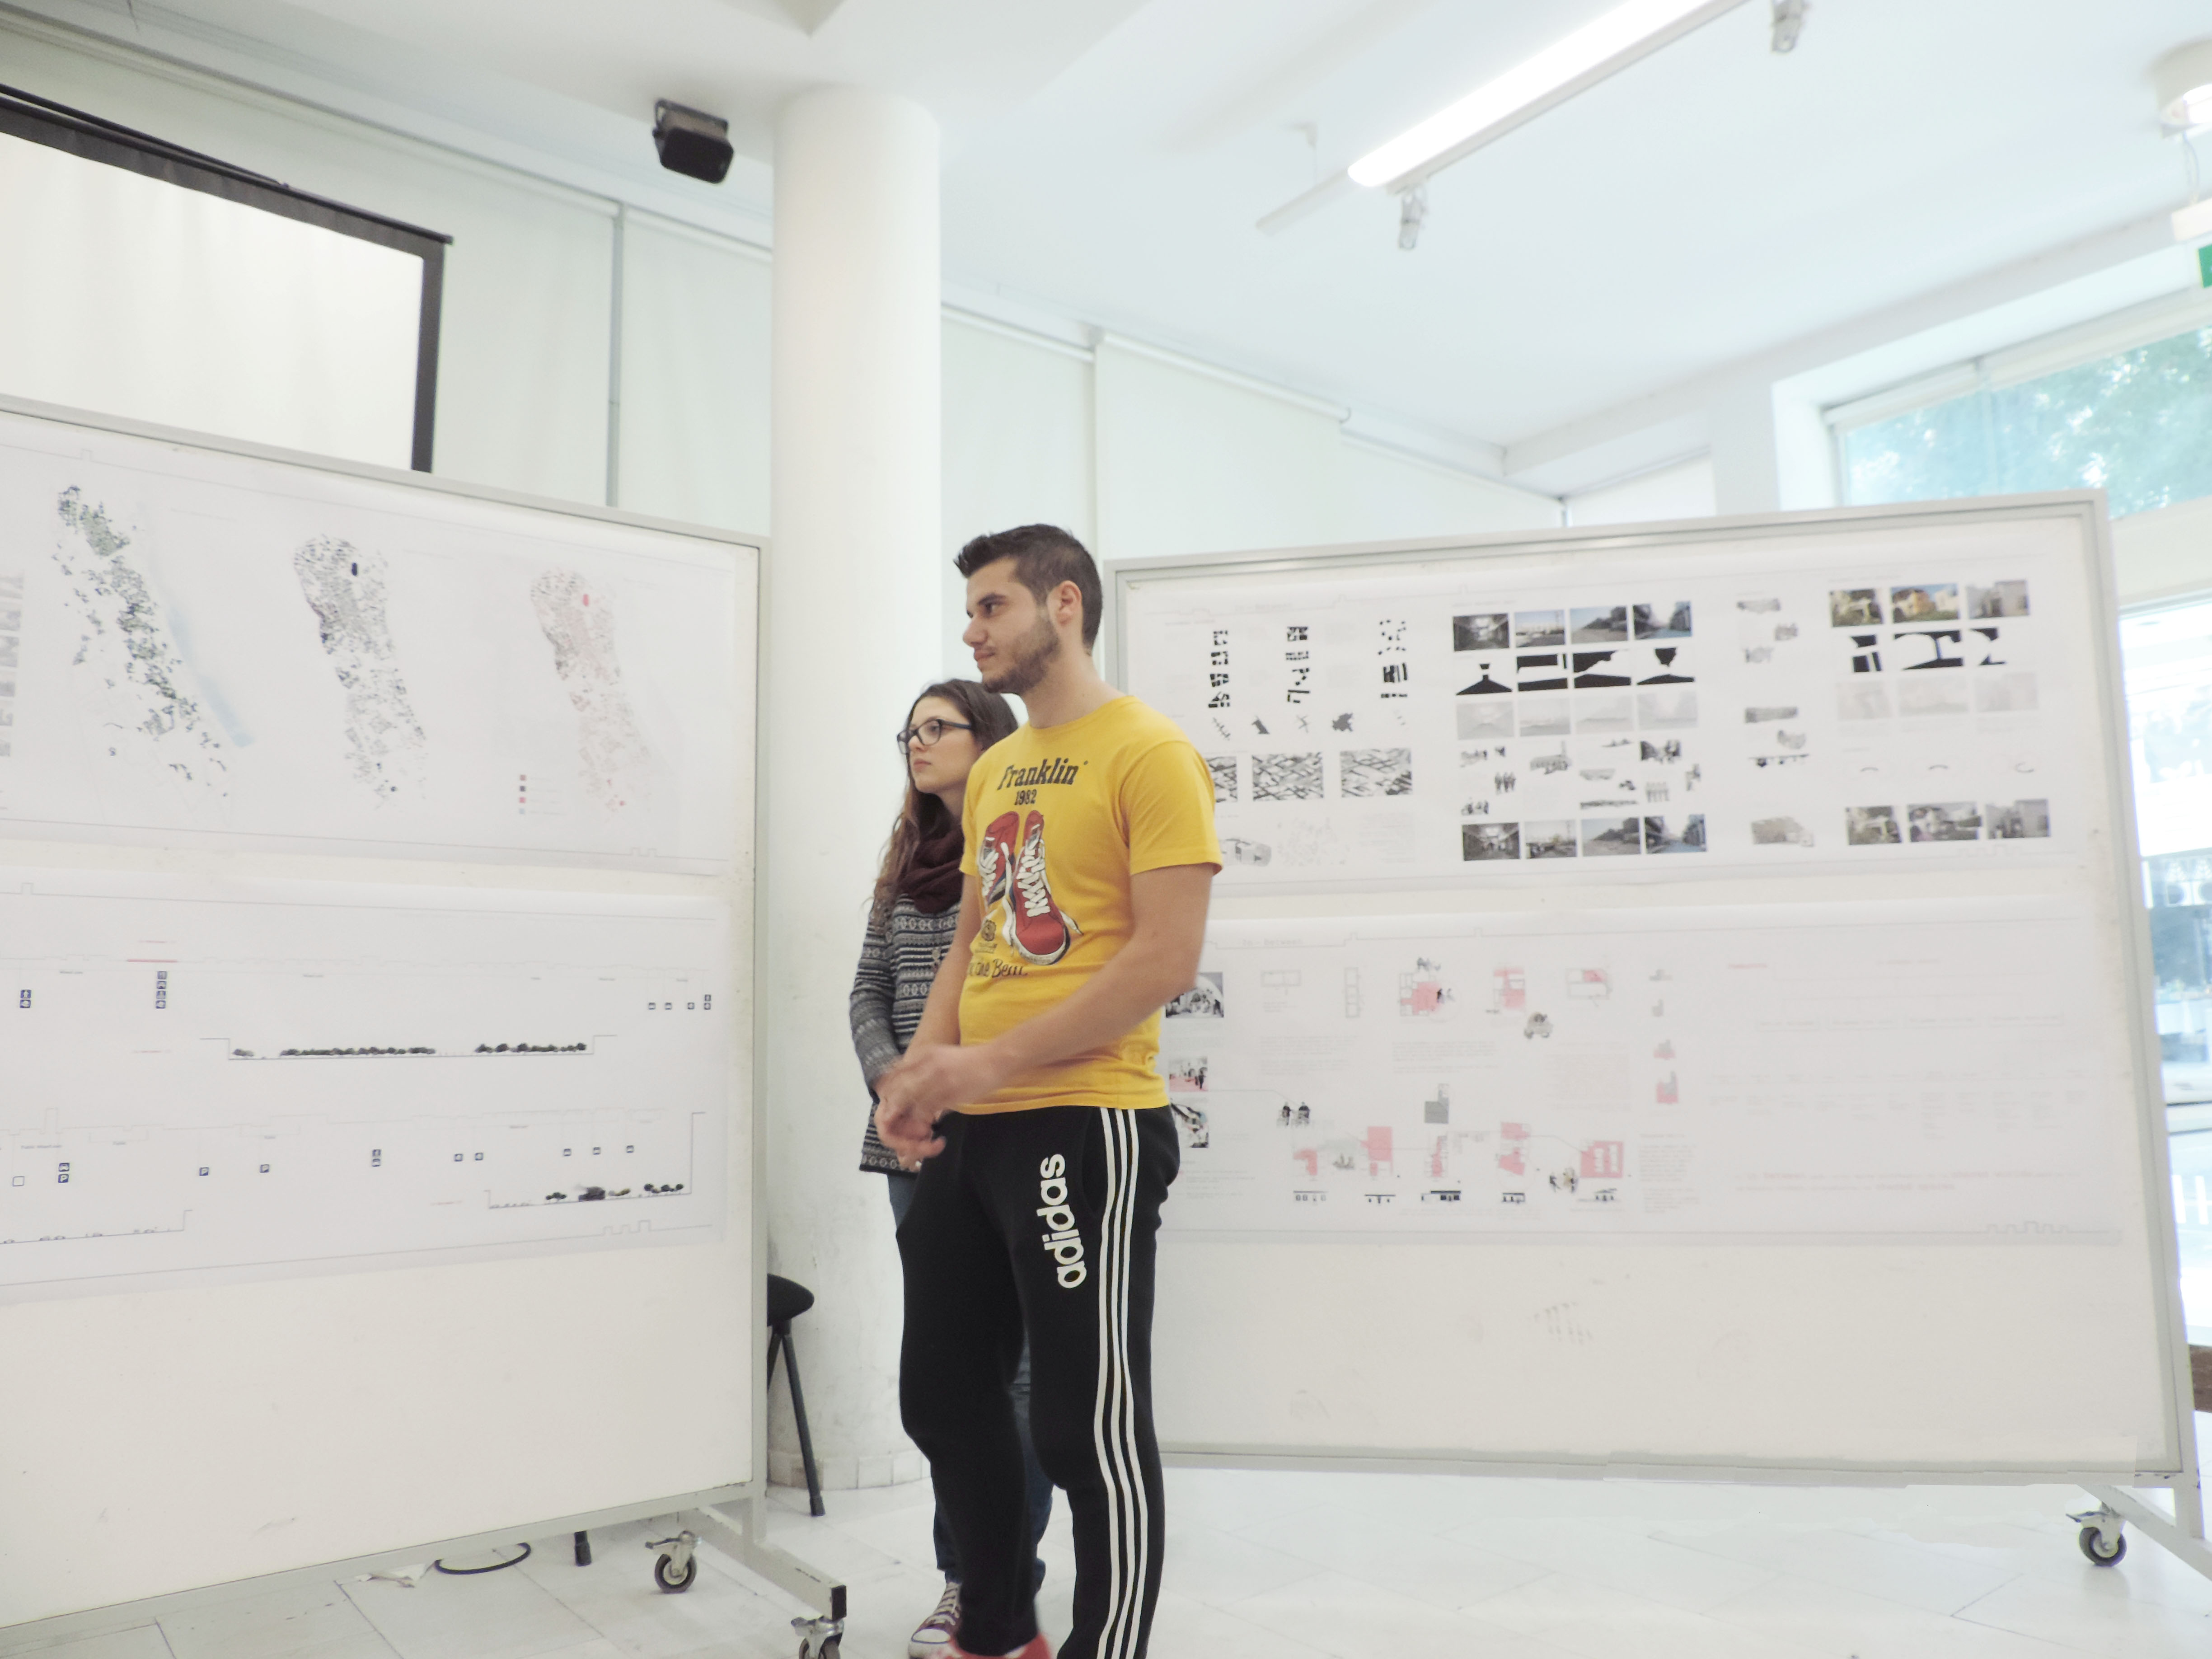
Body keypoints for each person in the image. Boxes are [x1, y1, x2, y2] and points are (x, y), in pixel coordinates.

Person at [876, 524, 1220, 1659]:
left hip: (1088, 1123)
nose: (972, 631)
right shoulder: (1000, 768)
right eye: (970, 610)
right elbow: (973, 940)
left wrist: (989, 1064)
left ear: (1063, 605)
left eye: (992, 607)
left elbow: (1164, 959)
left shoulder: (1151, 753)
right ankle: (998, 1629)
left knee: (1086, 1430)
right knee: (940, 1395)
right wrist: (924, 1074)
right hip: (973, 1130)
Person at [848, 677, 1049, 1659]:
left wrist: (955, 1083)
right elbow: (867, 989)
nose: (917, 744)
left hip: (1011, 1129)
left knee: (1018, 1380)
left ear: (990, 736)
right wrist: (900, 1086)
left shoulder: (1024, 846)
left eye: (938, 727)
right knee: (949, 1376)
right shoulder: (907, 861)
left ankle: (1005, 1584)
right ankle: (964, 1580)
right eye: (909, 732)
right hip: (914, 1140)